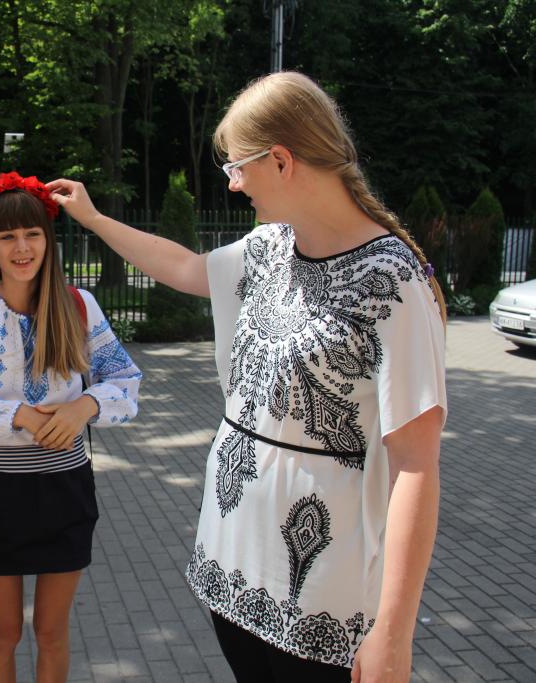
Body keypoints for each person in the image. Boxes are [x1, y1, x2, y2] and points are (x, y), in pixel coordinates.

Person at [47, 71, 446, 683]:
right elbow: (186, 267)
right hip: (230, 563)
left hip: (322, 594)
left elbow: (415, 466)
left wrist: (393, 633)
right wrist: (95, 219)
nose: (232, 183)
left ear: (281, 160)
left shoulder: (393, 281)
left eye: (237, 167)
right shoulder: (269, 247)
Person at [0, 172, 142, 683]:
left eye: (33, 234)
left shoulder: (78, 305)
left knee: (51, 632)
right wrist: (15, 415)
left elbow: (126, 381)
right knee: (5, 632)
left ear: (49, 239)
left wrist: (85, 405)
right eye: (7, 237)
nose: (22, 248)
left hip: (67, 489)